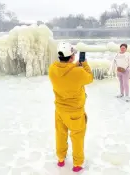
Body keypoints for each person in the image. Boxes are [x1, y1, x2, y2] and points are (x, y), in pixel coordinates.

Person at [48, 42, 93, 172]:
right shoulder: (78, 72)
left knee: (60, 135)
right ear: (72, 57)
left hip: (59, 110)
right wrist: (83, 64)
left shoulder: (52, 69)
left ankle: (61, 159)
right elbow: (89, 78)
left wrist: (74, 66)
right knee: (77, 137)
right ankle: (77, 164)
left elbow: (65, 71)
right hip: (75, 112)